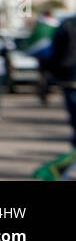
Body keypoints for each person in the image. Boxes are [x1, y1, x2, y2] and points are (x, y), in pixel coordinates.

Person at [44, 13, 76, 147]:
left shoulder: (67, 24)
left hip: (70, 75)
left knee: (74, 114)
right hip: (69, 74)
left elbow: (55, 49)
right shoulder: (66, 24)